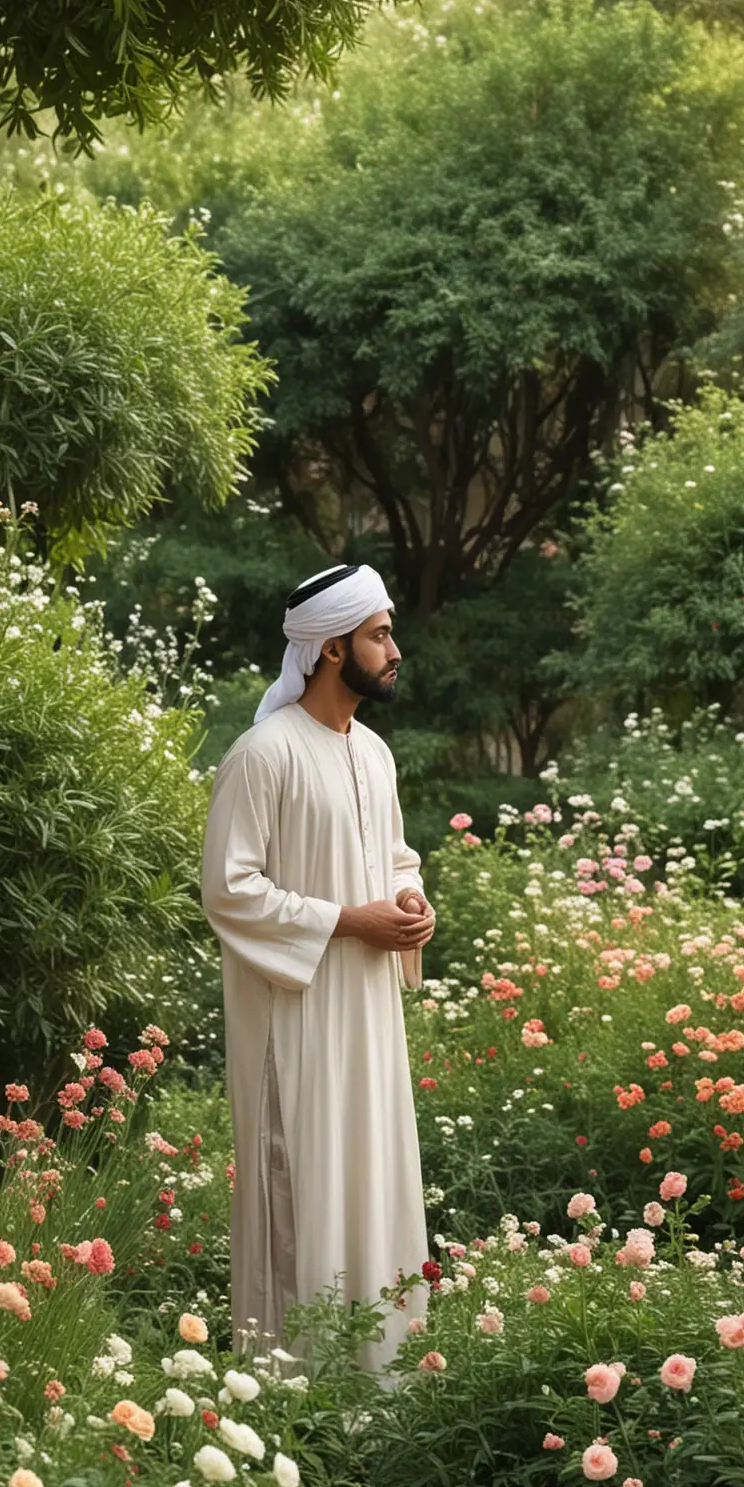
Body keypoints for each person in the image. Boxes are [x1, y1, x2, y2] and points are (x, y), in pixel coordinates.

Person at [200, 561, 435, 1378]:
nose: (394, 649)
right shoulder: (262, 755)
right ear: (332, 649)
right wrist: (345, 920)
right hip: (296, 1024)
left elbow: (395, 856)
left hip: (370, 1015)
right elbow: (229, 890)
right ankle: (294, 1395)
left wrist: (408, 903)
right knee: (304, 1189)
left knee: (375, 1182)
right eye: (379, 635)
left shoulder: (373, 753)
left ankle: (386, 1383)